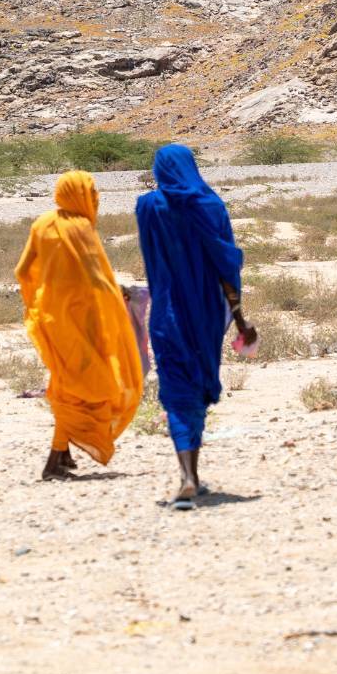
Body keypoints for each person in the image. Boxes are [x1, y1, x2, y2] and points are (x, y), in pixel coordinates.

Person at [135, 144, 255, 509]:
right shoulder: (211, 206)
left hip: (167, 313)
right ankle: (193, 476)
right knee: (199, 382)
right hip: (204, 315)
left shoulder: (148, 207)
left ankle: (188, 476)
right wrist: (239, 319)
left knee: (175, 388)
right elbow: (226, 268)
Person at [16, 170, 143, 480]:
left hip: (51, 320)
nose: (95, 198)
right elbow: (97, 279)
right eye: (92, 192)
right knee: (86, 386)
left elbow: (23, 270)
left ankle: (62, 454)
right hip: (84, 321)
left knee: (66, 381)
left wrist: (38, 300)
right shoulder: (81, 228)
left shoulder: (42, 224)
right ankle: (55, 460)